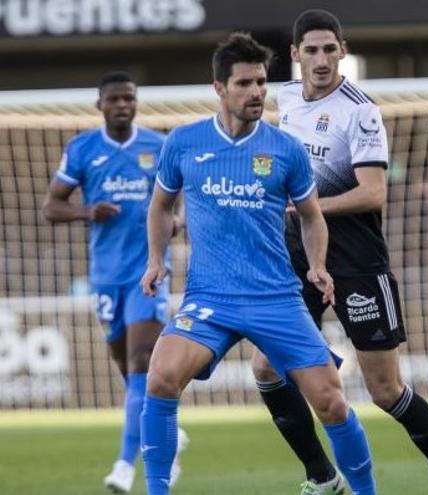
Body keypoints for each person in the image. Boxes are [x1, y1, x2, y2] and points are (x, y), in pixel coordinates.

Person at [248, 9, 428, 495]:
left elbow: (374, 193)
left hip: (357, 263)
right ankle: (321, 476)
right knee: (265, 367)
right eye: (311, 50)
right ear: (295, 56)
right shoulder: (284, 100)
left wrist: (306, 204)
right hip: (299, 259)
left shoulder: (360, 111)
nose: (322, 59)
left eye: (330, 49)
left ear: (343, 52)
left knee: (385, 391)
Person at [139, 32, 375, 495]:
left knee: (330, 402)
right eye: (245, 83)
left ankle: (366, 491)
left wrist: (319, 266)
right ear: (219, 88)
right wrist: (155, 261)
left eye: (262, 83)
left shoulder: (285, 149)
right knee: (162, 377)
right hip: (210, 297)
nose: (256, 93)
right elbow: (160, 206)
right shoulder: (184, 143)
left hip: (276, 297)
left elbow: (311, 217)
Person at [41, 71, 187, 494]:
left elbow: (182, 200)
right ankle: (167, 433)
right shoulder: (83, 148)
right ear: (100, 105)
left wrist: (177, 222)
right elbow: (51, 206)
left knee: (143, 360)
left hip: (150, 272)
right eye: (115, 99)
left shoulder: (158, 147)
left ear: (136, 103)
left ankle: (125, 465)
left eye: (129, 98)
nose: (123, 105)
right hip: (105, 277)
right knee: (128, 370)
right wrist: (86, 212)